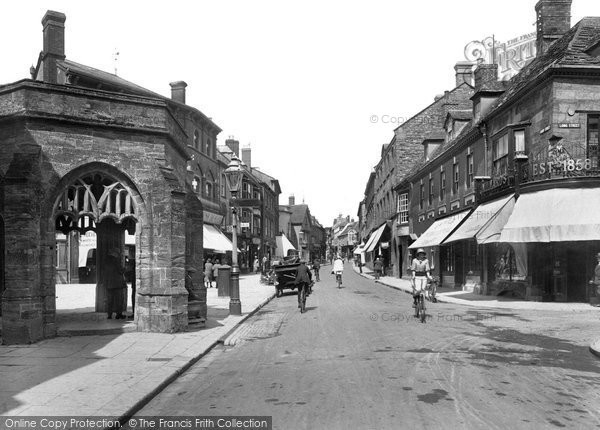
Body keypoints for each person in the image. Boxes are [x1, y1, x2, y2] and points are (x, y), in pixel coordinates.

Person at [105, 248, 127, 319]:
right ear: (115, 254)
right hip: (117, 284)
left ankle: (109, 315)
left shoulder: (107, 262)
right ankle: (118, 314)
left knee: (110, 300)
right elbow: (120, 271)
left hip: (109, 284)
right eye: (118, 253)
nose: (119, 254)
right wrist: (125, 268)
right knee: (119, 300)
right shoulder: (116, 261)